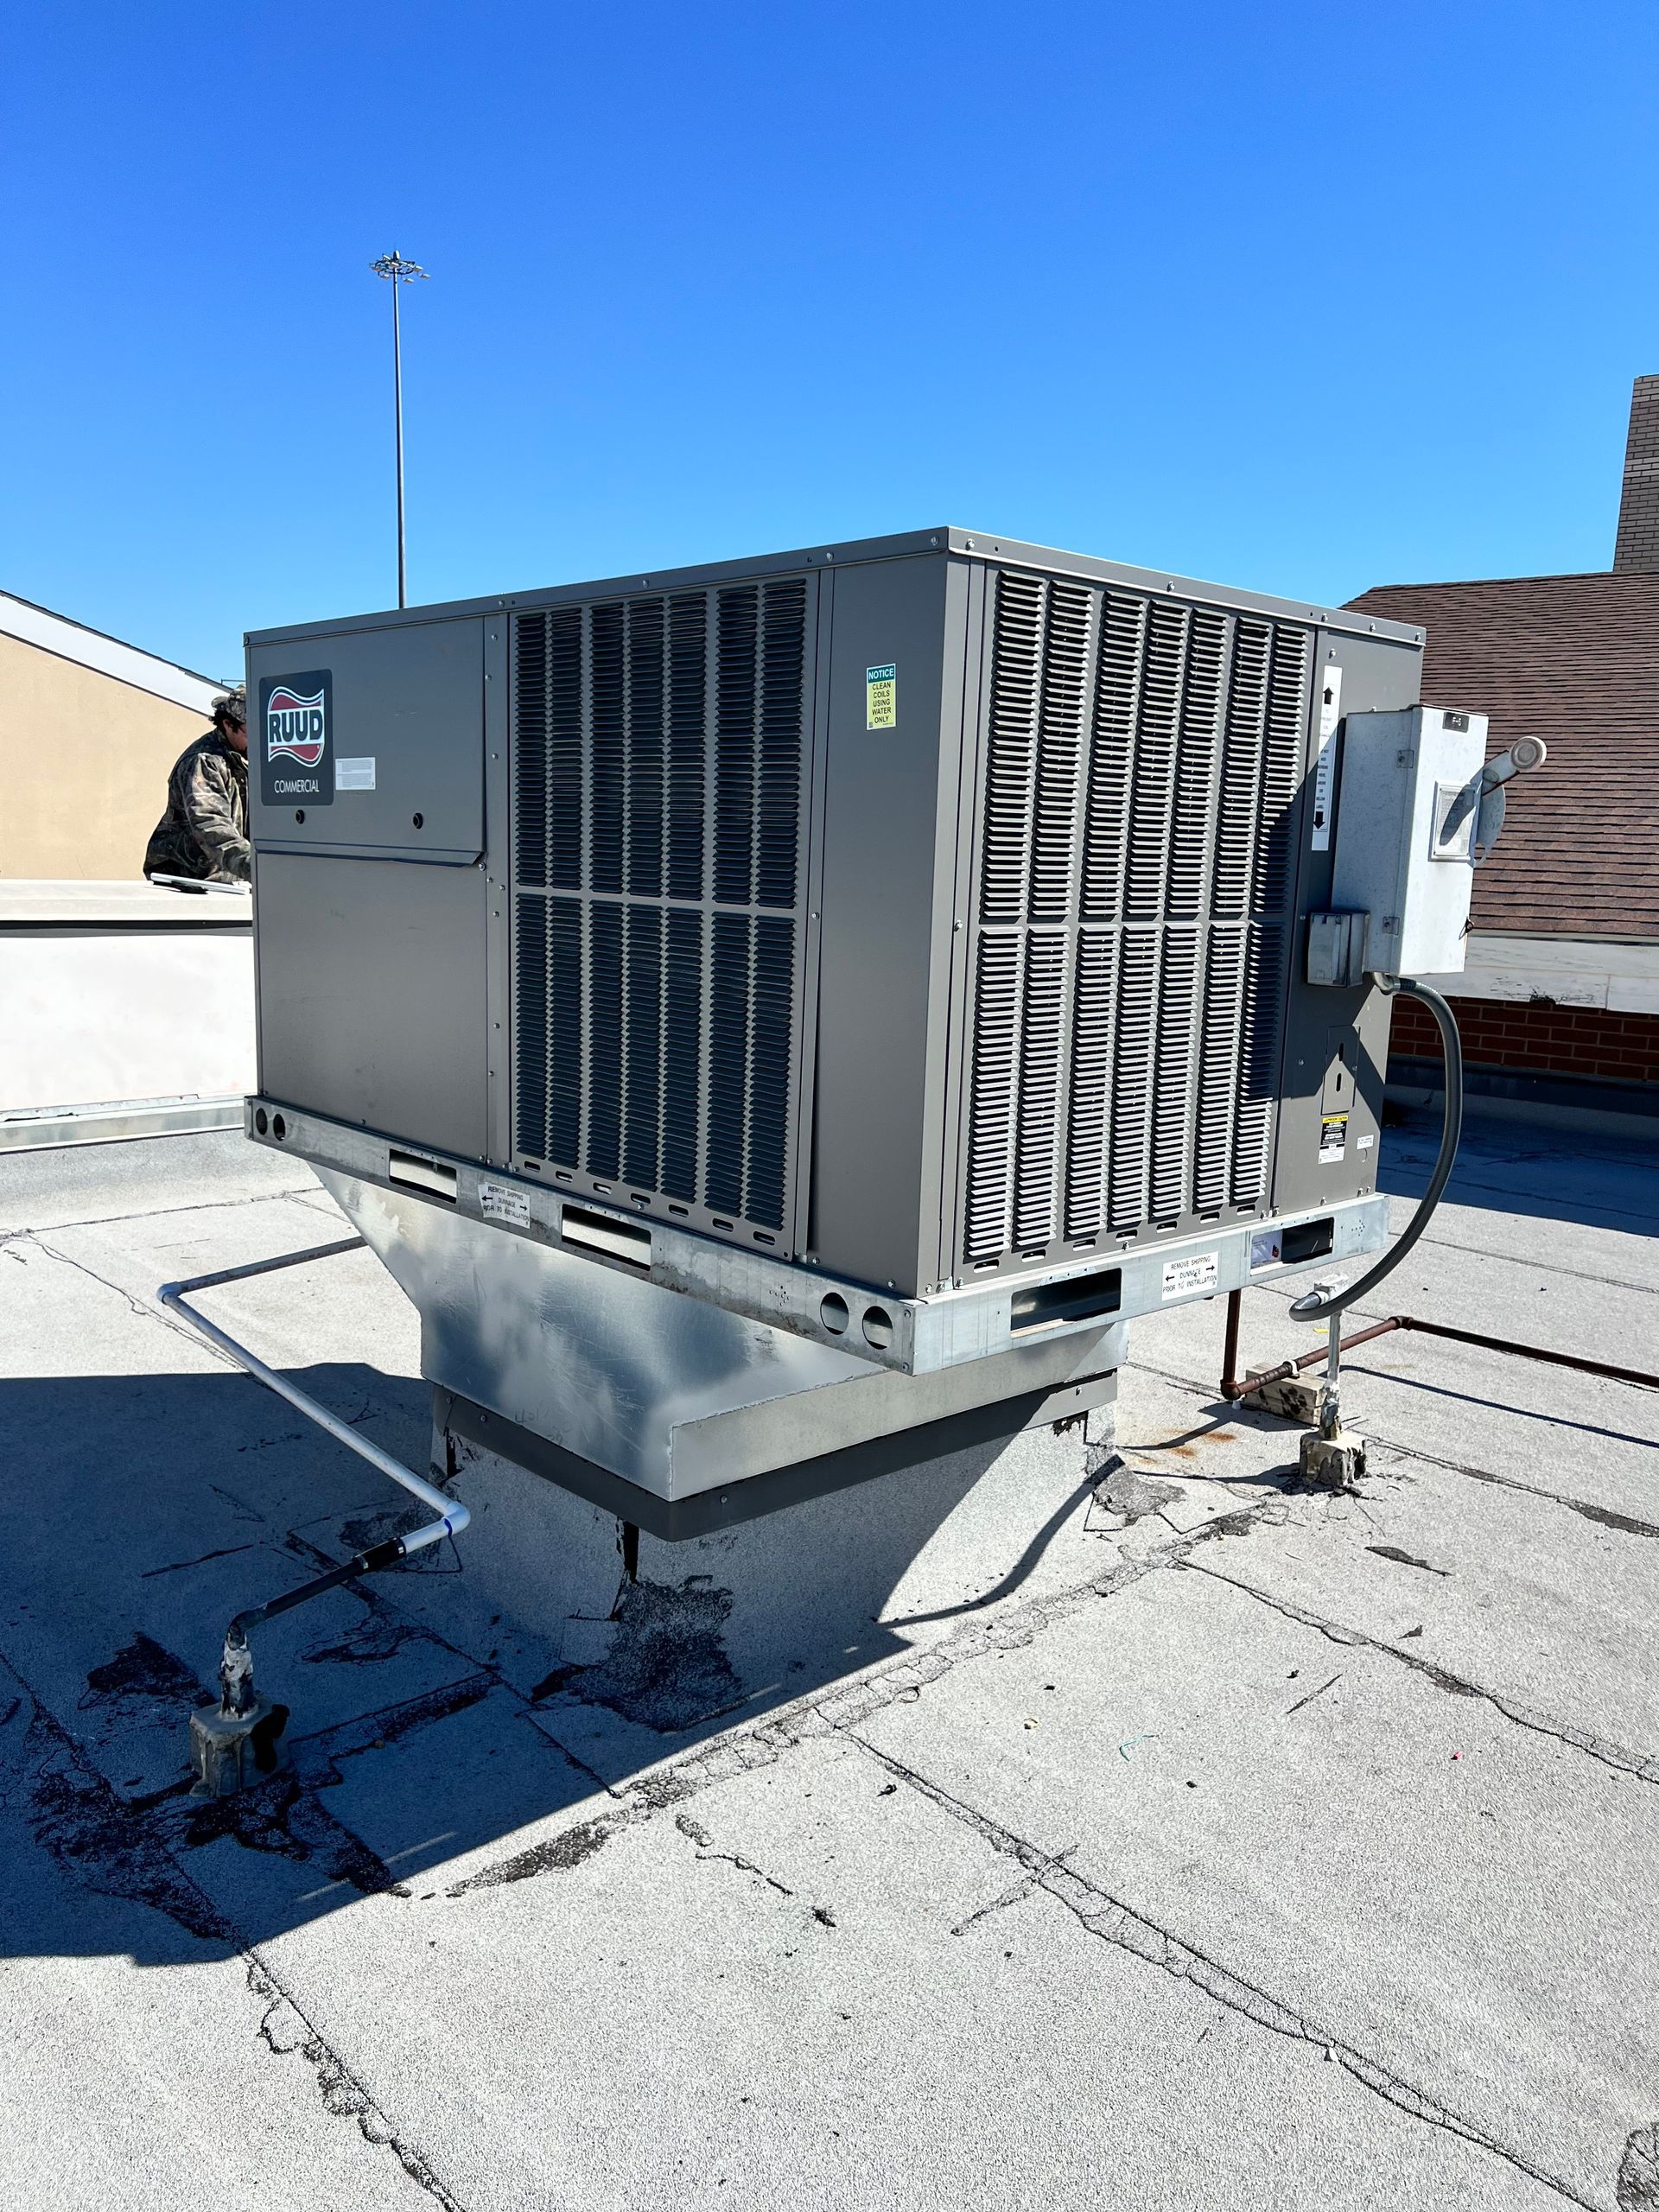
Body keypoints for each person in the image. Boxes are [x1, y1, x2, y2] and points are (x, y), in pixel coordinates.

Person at [143, 686, 252, 885]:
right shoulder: (204, 761)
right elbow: (211, 826)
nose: (259, 739)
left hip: (228, 881)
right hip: (188, 881)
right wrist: (257, 867)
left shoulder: (245, 757)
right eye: (251, 731)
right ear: (228, 724)